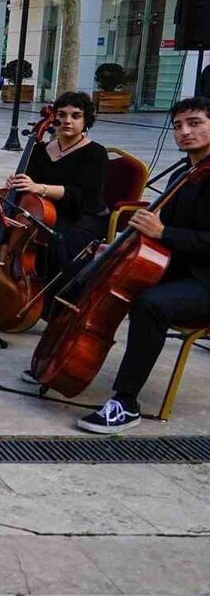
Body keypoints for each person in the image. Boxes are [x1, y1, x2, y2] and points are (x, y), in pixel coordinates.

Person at [74, 97, 210, 433]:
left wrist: (164, 231)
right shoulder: (185, 172)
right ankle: (71, 360)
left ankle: (126, 402)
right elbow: (168, 237)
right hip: (183, 265)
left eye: (195, 123)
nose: (184, 132)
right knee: (105, 273)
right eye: (178, 126)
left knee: (150, 304)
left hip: (206, 279)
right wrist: (122, 251)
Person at [6, 92, 110, 292]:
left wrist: (39, 188)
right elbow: (28, 183)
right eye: (61, 115)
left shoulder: (96, 153)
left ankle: (56, 300)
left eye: (75, 116)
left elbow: (84, 195)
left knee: (56, 240)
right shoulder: (40, 149)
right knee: (14, 229)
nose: (67, 121)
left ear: (86, 119)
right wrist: (17, 182)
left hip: (82, 216)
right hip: (45, 213)